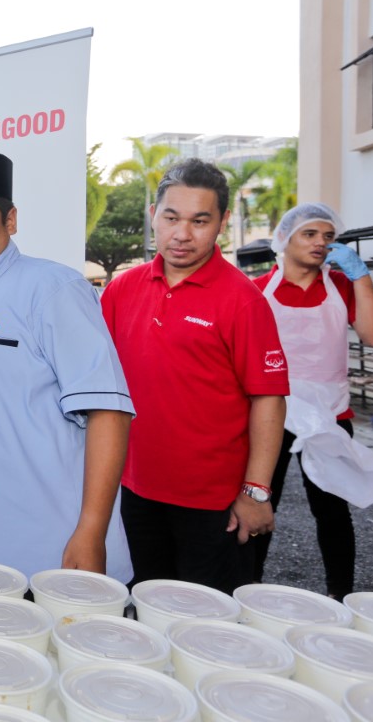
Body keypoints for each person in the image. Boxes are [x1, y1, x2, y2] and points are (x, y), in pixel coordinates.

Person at [0, 148, 134, 581]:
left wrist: (92, 531)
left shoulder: (52, 290)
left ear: (9, 221)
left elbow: (109, 411)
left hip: (44, 554)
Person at [100, 158, 290, 594]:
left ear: (222, 222)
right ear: (154, 217)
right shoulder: (120, 290)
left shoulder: (243, 300)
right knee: (144, 604)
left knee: (211, 621)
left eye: (199, 220)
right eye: (171, 218)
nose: (182, 234)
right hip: (133, 491)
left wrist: (256, 491)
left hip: (214, 503)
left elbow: (269, 398)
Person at [252, 203, 373, 597]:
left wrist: (360, 277)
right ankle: (247, 587)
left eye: (329, 236)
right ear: (285, 239)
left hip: (330, 413)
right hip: (271, 411)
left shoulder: (342, 288)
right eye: (310, 234)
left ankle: (340, 596)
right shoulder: (259, 289)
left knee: (332, 511)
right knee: (260, 502)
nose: (321, 243)